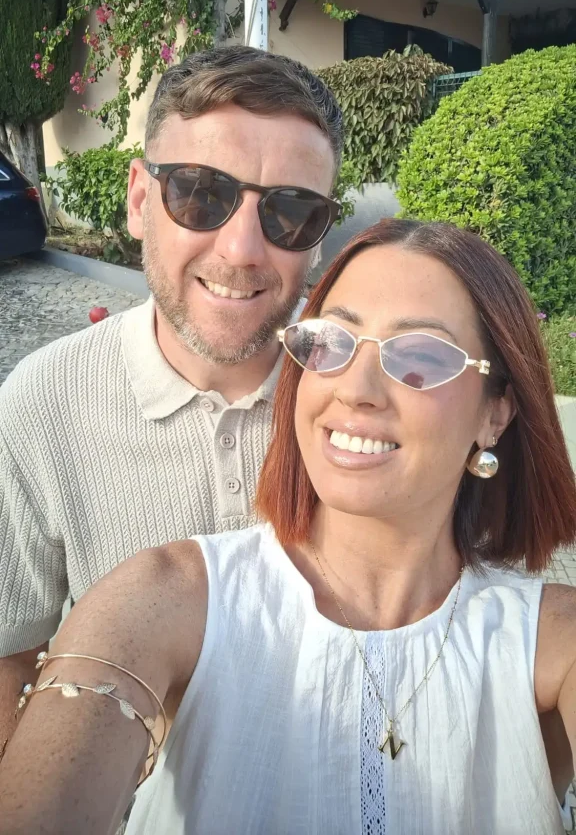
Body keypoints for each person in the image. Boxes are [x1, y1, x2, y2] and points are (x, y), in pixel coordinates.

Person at [1, 217, 576, 835]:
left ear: (495, 415)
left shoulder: (549, 641)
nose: (356, 389)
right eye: (332, 342)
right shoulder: (167, 597)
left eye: (419, 358)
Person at [0, 45, 343, 757]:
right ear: (138, 201)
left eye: (291, 212)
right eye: (200, 194)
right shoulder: (42, 403)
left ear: (317, 239)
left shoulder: (358, 392)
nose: (242, 249)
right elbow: (11, 654)